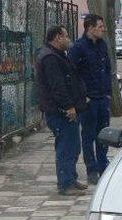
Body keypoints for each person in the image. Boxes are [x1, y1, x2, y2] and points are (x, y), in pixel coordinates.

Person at [36, 25, 88, 196]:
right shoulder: (50, 57)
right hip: (60, 111)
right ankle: (66, 183)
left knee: (73, 145)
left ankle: (71, 178)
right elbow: (57, 86)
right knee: (66, 146)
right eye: (66, 36)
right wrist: (68, 106)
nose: (68, 39)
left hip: (65, 109)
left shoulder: (58, 55)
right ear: (58, 37)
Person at [68, 14, 111, 185]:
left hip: (102, 97)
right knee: (88, 135)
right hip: (88, 100)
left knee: (104, 135)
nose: (103, 29)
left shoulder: (102, 45)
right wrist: (81, 96)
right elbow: (72, 75)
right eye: (100, 26)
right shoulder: (78, 48)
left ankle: (103, 165)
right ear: (90, 28)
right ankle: (91, 168)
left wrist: (108, 93)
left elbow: (107, 69)